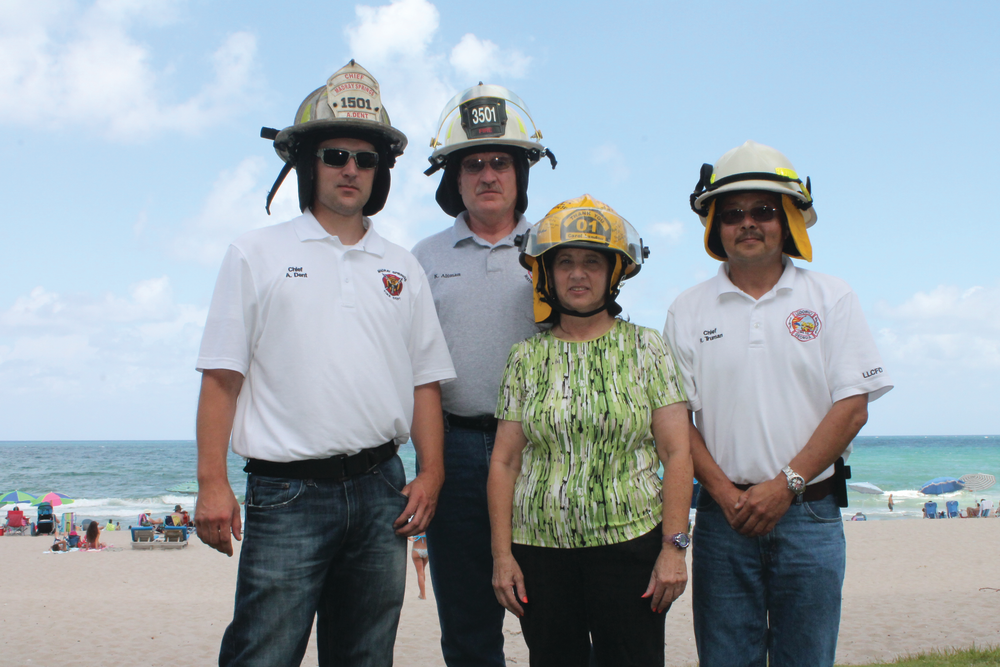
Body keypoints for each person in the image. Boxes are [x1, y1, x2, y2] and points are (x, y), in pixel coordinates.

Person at [194, 60, 455, 667]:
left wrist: (432, 472)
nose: (351, 169)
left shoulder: (403, 266)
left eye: (366, 159)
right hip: (286, 493)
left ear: (380, 172)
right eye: (336, 155)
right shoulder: (255, 252)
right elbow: (222, 377)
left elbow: (424, 382)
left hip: (382, 488)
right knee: (263, 653)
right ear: (309, 164)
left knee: (365, 656)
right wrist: (212, 483)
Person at [664, 141, 894, 667]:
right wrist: (725, 494)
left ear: (788, 219)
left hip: (809, 513)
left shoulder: (832, 297)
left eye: (763, 210)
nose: (748, 222)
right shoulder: (687, 309)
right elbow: (677, 422)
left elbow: (852, 407)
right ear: (715, 226)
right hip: (723, 518)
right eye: (732, 213)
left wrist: (785, 485)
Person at [489, 195, 693, 666]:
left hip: (631, 546)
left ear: (613, 272)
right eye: (565, 262)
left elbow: (677, 453)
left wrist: (675, 548)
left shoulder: (647, 347)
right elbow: (505, 461)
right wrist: (502, 556)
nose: (577, 274)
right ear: (546, 274)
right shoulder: (525, 357)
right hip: (538, 551)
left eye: (592, 262)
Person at [412, 83, 556, 667]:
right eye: (473, 164)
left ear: (522, 173)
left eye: (501, 161)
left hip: (547, 448)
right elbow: (413, 368)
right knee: (468, 624)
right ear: (454, 178)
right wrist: (429, 465)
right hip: (456, 449)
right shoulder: (423, 259)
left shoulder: (555, 245)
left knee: (554, 616)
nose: (488, 174)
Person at [410, 534, 429, 600]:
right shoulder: (426, 527)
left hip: (416, 550)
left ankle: (423, 595)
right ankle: (421, 593)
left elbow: (405, 534)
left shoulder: (415, 527)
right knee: (422, 571)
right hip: (427, 550)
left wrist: (409, 538)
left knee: (420, 573)